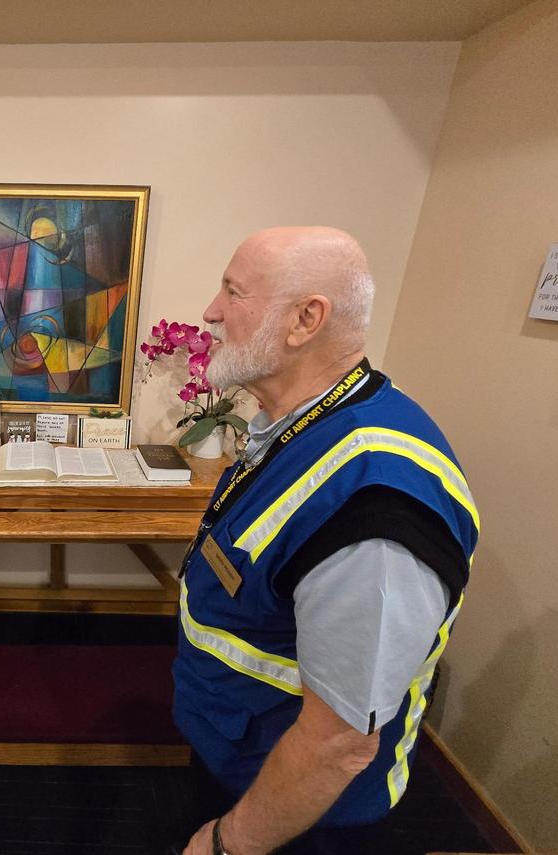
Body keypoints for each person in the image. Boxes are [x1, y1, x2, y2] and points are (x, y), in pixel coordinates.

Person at [174, 227, 479, 855]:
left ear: (305, 320)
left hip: (302, 820)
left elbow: (340, 742)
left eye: (233, 291)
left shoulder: (376, 511)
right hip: (242, 756)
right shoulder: (298, 424)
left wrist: (229, 843)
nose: (211, 311)